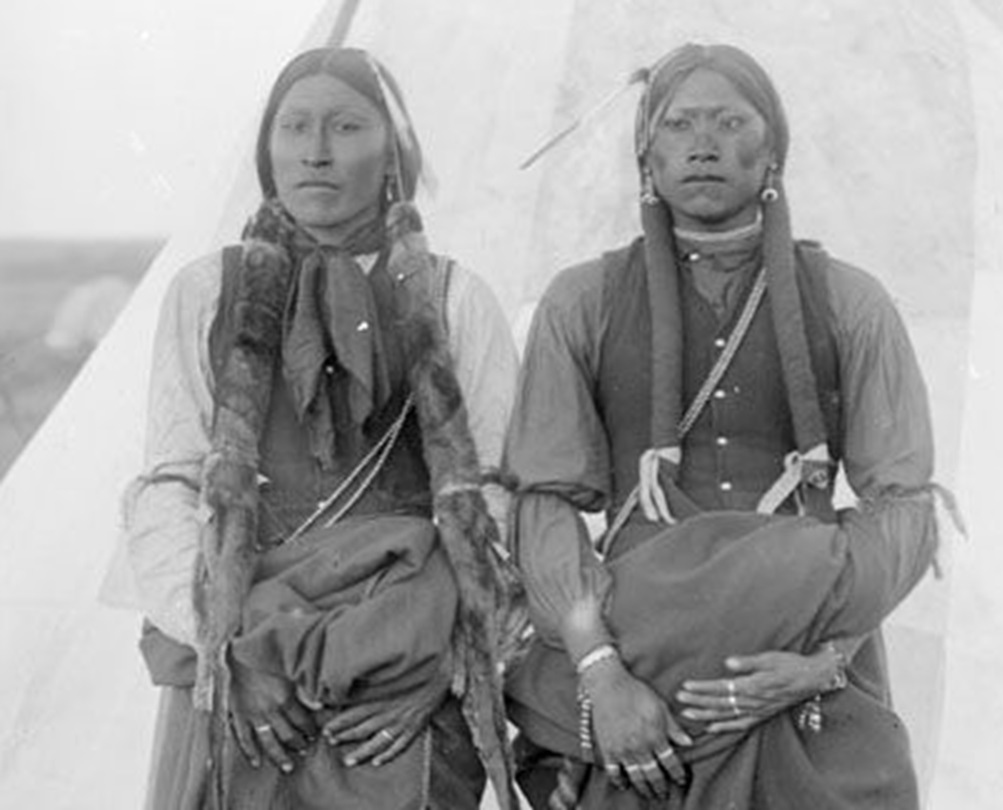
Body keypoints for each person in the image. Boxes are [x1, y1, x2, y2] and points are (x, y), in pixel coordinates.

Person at [504, 43, 948, 809]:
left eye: (730, 122)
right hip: (638, 659)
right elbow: (541, 501)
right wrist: (601, 676)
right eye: (678, 124)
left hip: (800, 647)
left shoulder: (850, 302)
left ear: (773, 148)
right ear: (645, 153)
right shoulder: (582, 301)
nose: (703, 144)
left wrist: (825, 662)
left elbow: (903, 504)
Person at [122, 47, 522, 810]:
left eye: (345, 126)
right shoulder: (205, 293)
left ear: (393, 152)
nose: (315, 151)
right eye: (294, 127)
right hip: (240, 660)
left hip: (397, 672)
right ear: (266, 149)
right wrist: (228, 649)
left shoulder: (455, 299)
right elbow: (169, 482)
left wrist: (446, 662)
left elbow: (497, 496)